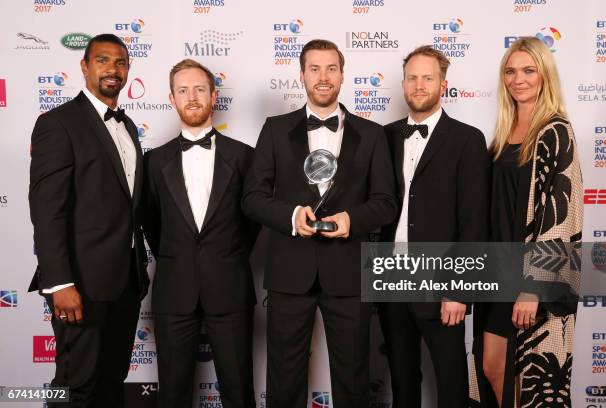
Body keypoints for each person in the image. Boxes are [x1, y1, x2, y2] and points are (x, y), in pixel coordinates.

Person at [242, 39, 397, 408]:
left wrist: (352, 219)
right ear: (301, 75)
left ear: (342, 75)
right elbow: (252, 198)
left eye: (331, 68)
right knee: (283, 376)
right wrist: (293, 216)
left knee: (354, 377)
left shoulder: (372, 134)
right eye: (314, 68)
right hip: (289, 271)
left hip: (347, 271)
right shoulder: (276, 129)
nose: (323, 77)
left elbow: (386, 203)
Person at [28, 34, 149, 407]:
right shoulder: (58, 123)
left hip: (125, 282)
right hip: (79, 284)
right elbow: (48, 211)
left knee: (112, 379)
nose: (112, 70)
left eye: (120, 62)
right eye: (102, 61)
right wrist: (59, 282)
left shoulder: (128, 128)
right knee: (76, 384)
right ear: (84, 67)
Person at [470, 36, 582, 407]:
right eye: (510, 71)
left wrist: (533, 286)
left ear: (544, 75)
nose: (518, 79)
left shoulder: (555, 131)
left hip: (529, 275)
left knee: (530, 377)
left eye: (528, 70)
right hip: (496, 271)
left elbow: (562, 216)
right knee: (491, 368)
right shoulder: (503, 133)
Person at [142, 59, 258, 408]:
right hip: (174, 290)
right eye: (182, 90)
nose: (191, 97)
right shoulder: (152, 162)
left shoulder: (245, 157)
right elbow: (151, 223)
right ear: (171, 99)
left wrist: (226, 256)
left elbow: (251, 223)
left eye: (199, 89)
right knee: (173, 393)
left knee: (239, 391)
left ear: (213, 95)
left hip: (230, 286)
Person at [379, 45, 490, 408]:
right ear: (403, 84)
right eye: (412, 77)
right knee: (402, 383)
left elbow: (475, 221)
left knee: (451, 384)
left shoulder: (467, 139)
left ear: (443, 84)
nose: (419, 84)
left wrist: (459, 288)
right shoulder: (385, 136)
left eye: (428, 77)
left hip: (443, 283)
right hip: (390, 277)